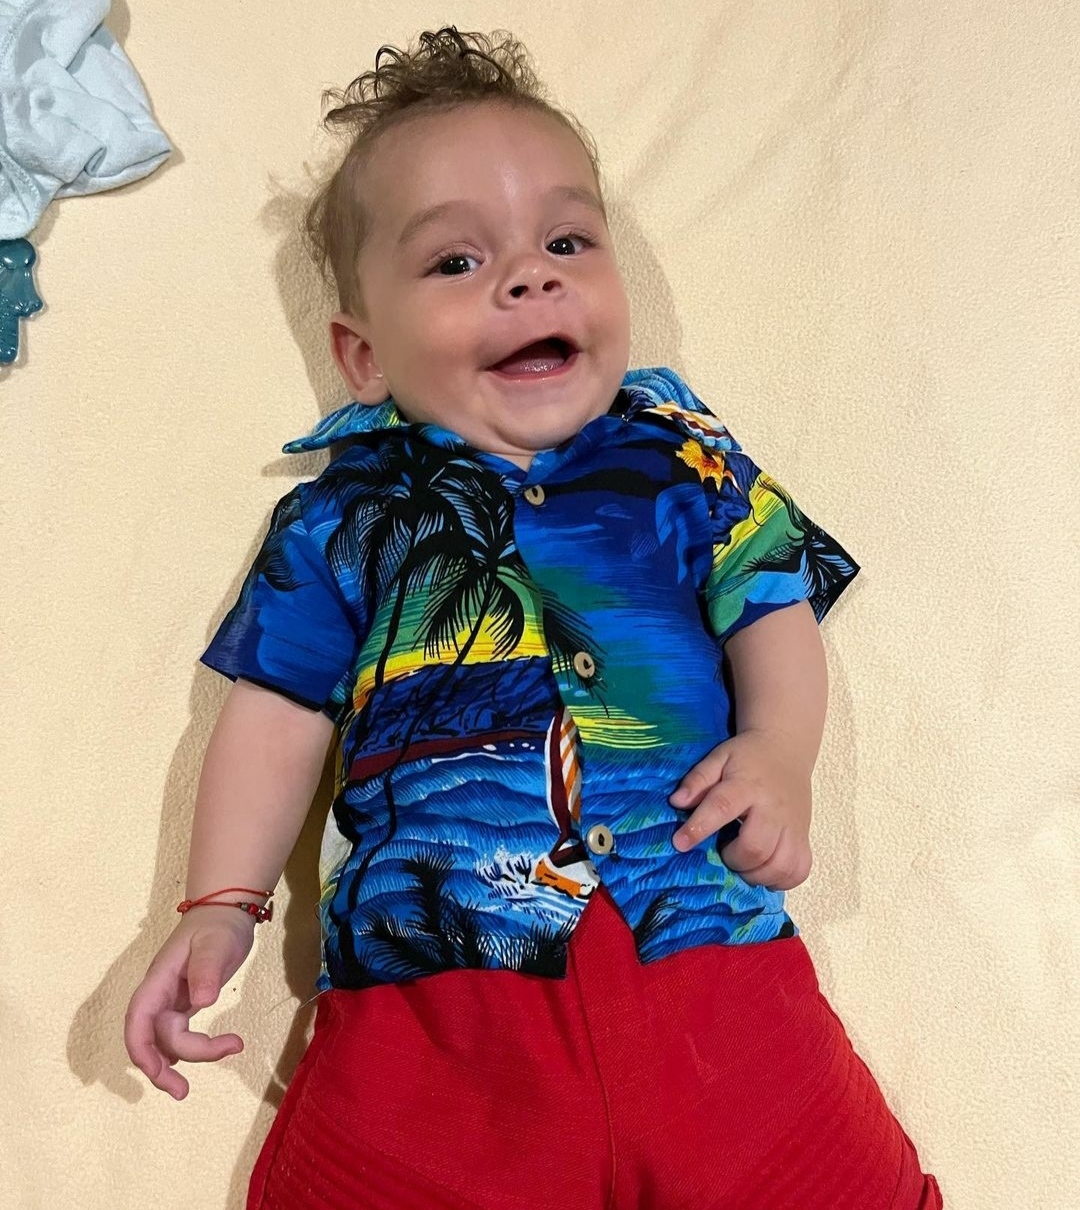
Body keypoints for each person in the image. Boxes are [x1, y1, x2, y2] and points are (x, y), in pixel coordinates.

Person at [125, 27, 942, 1210]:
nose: (530, 277)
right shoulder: (345, 517)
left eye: (567, 241)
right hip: (437, 1011)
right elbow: (278, 711)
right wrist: (221, 902)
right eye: (456, 260)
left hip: (709, 959)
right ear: (363, 354)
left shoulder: (687, 463)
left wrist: (780, 751)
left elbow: (770, 607)